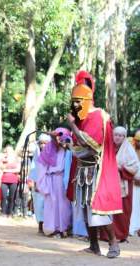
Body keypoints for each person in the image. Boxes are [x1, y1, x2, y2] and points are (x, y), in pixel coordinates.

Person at [66, 70, 122, 258]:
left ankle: (114, 244)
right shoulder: (82, 118)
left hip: (96, 171)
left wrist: (72, 125)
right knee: (85, 207)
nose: (75, 103)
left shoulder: (98, 115)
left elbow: (89, 142)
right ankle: (94, 245)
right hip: (83, 169)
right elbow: (76, 145)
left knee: (99, 209)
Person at [99, 127, 140, 242]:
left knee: (122, 211)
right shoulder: (107, 147)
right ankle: (106, 235)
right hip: (108, 183)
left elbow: (135, 167)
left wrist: (120, 168)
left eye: (120, 135)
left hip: (124, 183)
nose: (117, 137)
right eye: (116, 134)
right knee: (107, 209)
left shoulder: (129, 150)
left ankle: (121, 235)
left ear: (124, 137)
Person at [37, 128, 72, 237]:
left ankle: (63, 228)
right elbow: (41, 166)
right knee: (51, 204)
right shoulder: (48, 149)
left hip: (62, 180)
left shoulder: (68, 150)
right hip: (49, 179)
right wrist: (41, 182)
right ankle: (52, 228)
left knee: (63, 205)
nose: (58, 139)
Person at [29, 133, 51, 234]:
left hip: (50, 182)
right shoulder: (36, 154)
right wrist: (35, 183)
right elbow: (34, 170)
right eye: (41, 143)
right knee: (39, 204)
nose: (43, 146)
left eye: (45, 143)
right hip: (39, 184)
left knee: (49, 205)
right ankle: (40, 226)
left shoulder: (54, 153)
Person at [0, 146, 20, 217]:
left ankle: (10, 212)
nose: (8, 152)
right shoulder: (3, 159)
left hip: (13, 180)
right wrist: (11, 170)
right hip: (4, 179)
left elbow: (18, 170)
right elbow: (1, 168)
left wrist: (7, 169)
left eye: (10, 150)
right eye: (7, 150)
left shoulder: (16, 159)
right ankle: (3, 212)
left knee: (11, 197)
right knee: (4, 196)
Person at [130, 129, 140, 236]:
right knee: (133, 207)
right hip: (132, 184)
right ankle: (132, 228)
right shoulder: (130, 151)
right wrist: (133, 179)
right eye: (138, 141)